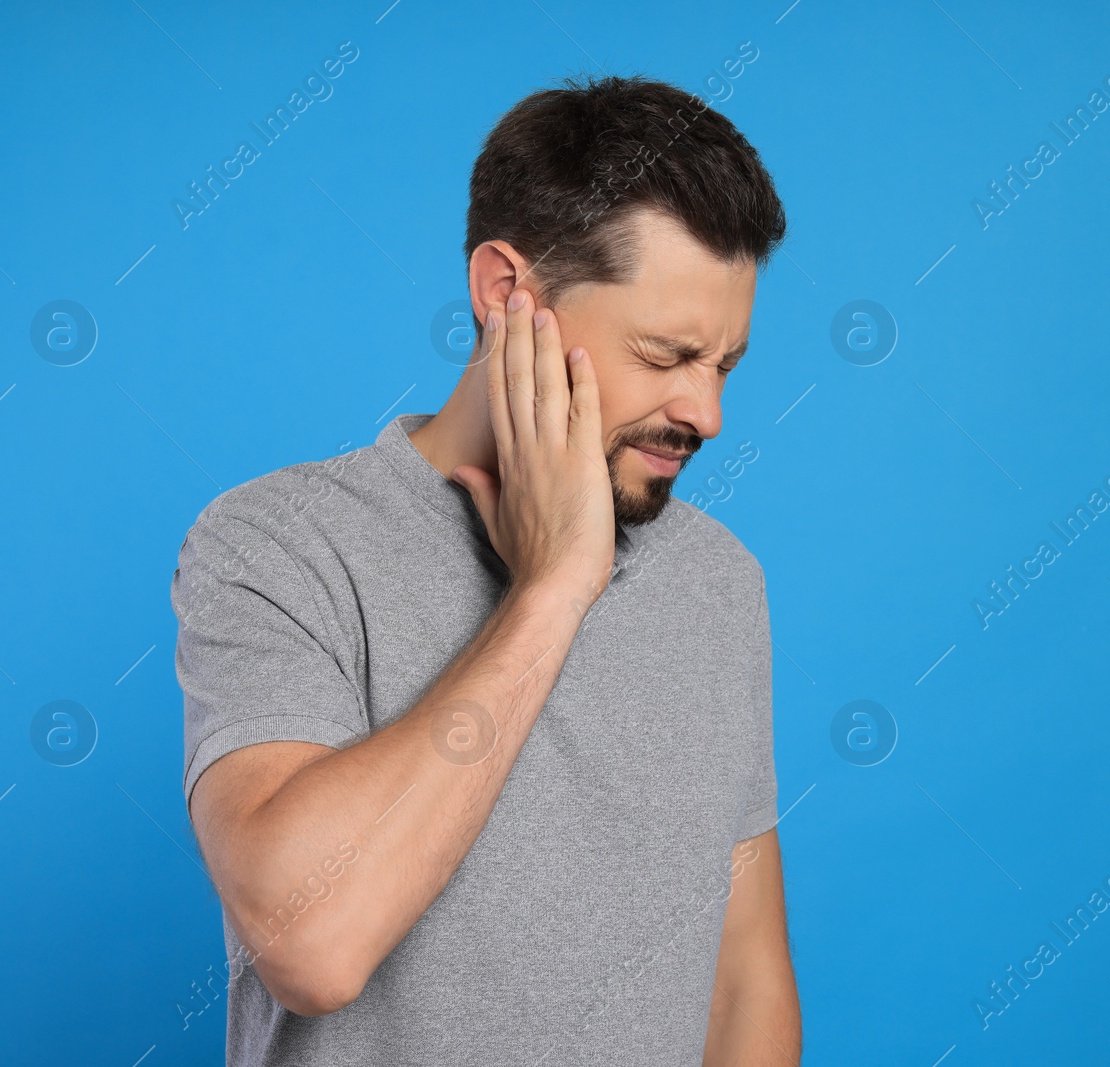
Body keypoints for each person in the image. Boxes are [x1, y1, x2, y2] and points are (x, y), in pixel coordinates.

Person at [170, 72, 799, 1066]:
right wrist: (551, 590)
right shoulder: (279, 542)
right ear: (507, 294)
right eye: (665, 353)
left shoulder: (720, 581)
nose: (706, 414)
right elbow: (311, 942)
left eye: (723, 365)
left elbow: (742, 979)